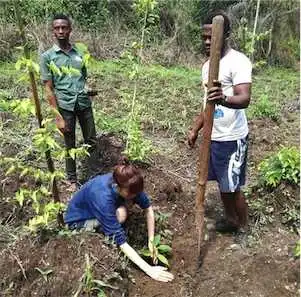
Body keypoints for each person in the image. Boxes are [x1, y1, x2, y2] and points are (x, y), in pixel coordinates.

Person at [188, 11, 252, 244]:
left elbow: (244, 98)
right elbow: (207, 104)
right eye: (204, 37)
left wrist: (224, 98)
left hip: (233, 137)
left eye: (212, 37)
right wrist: (196, 129)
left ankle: (243, 228)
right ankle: (231, 220)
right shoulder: (207, 67)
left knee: (232, 186)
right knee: (223, 184)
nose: (207, 41)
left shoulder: (238, 61)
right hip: (213, 136)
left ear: (227, 35)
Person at [64, 161, 174, 282]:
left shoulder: (129, 183)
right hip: (78, 221)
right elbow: (120, 241)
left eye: (136, 193)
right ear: (118, 187)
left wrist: (151, 240)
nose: (135, 196)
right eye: (132, 194)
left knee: (122, 211)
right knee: (121, 215)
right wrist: (149, 270)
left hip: (98, 208)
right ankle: (101, 233)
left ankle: (109, 222)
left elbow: (148, 209)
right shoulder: (103, 198)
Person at [40, 14, 97, 192]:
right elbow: (49, 89)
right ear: (53, 31)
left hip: (83, 103)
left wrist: (88, 89)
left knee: (91, 140)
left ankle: (92, 174)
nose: (61, 31)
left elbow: (83, 77)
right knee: (69, 143)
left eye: (64, 27)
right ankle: (71, 179)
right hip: (65, 106)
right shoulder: (47, 57)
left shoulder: (79, 52)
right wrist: (57, 117)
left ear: (70, 30)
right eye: (57, 28)